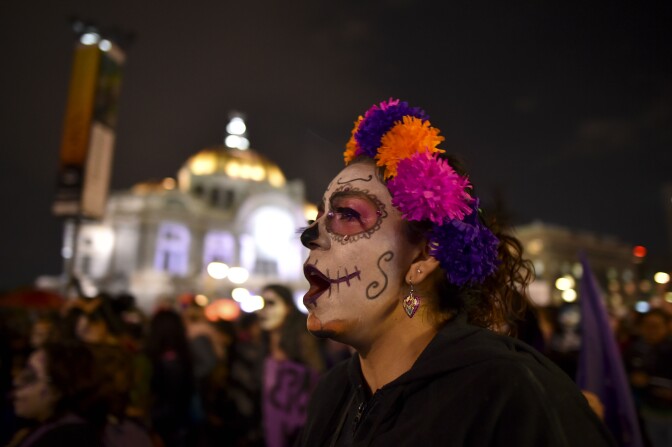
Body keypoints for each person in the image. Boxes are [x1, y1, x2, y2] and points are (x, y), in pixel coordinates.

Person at [295, 99, 615, 446]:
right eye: (318, 216)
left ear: (423, 256)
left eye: (348, 214)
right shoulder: (332, 393)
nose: (311, 235)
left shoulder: (513, 395)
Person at [256, 284, 324, 447]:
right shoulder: (262, 343)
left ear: (287, 307)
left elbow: (316, 375)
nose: (263, 311)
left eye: (271, 303)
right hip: (270, 426)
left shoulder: (303, 340)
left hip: (298, 425)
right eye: (262, 304)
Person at [7, 341, 101, 447]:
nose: (16, 381)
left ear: (55, 391)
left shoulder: (68, 439)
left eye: (29, 376)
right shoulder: (44, 428)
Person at [623, 308, 672, 447]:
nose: (651, 331)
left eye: (656, 326)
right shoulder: (635, 350)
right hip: (649, 412)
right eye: (647, 326)